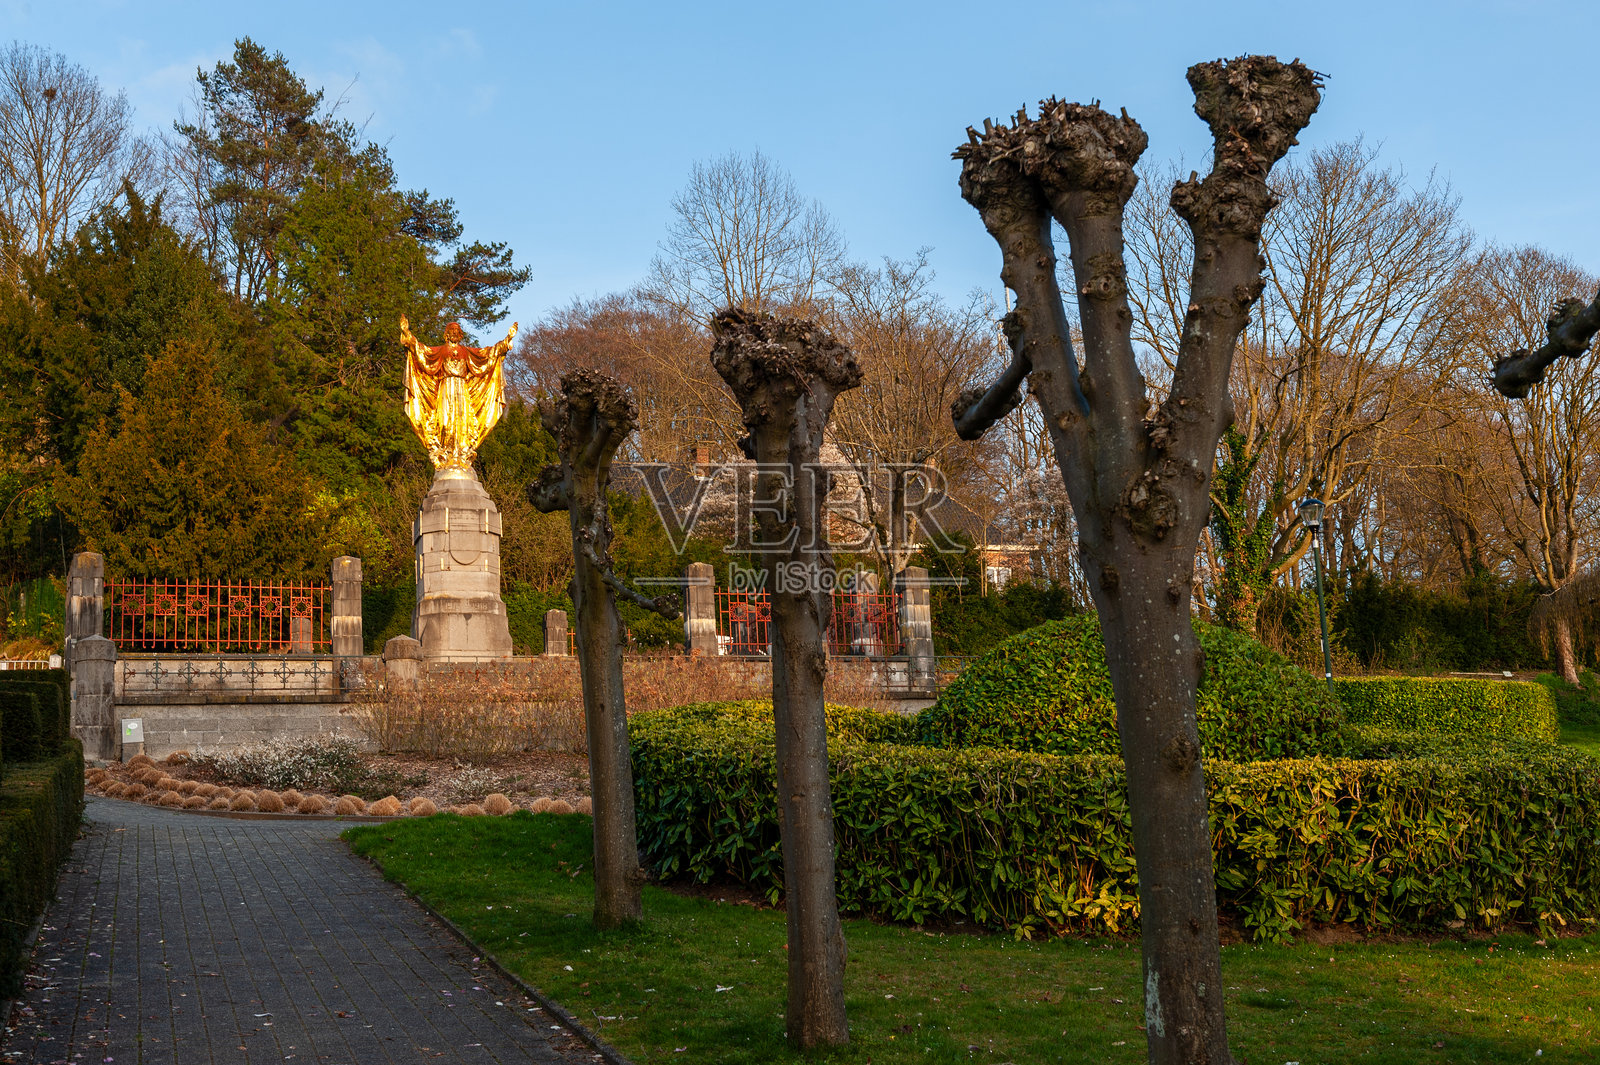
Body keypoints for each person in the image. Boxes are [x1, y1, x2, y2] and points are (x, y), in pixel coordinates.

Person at [399, 316, 517, 471]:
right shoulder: (441, 350)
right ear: (447, 334)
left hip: (462, 388)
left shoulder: (466, 351)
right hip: (445, 387)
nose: (454, 333)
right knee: (445, 420)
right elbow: (422, 352)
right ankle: (445, 454)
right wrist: (407, 333)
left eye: (457, 331)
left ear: (460, 334)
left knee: (463, 420)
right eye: (451, 331)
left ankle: (461, 454)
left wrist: (507, 339)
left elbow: (487, 354)